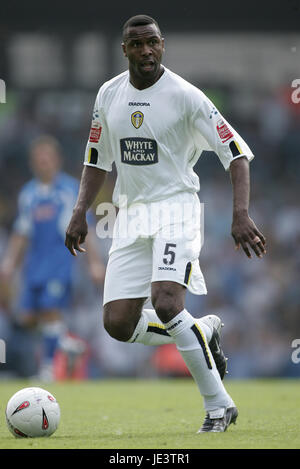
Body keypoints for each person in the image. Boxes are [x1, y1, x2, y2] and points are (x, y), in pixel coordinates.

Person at [65, 15, 266, 432]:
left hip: (175, 209)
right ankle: (201, 331)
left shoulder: (187, 96)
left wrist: (241, 213)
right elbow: (95, 158)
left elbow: (236, 153)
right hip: (131, 214)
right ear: (125, 50)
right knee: (118, 324)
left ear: (162, 45)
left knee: (167, 302)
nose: (145, 52)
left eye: (152, 43)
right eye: (136, 45)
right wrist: (79, 210)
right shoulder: (108, 94)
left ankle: (218, 406)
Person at [0, 135, 105, 380]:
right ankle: (68, 344)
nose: (43, 162)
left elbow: (85, 229)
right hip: (34, 265)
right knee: (27, 317)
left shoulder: (70, 190)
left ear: (57, 160)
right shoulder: (28, 194)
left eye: (47, 157)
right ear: (33, 162)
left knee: (50, 310)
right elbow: (21, 234)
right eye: (39, 158)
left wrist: (95, 263)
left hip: (59, 262)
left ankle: (47, 368)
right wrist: (9, 263)